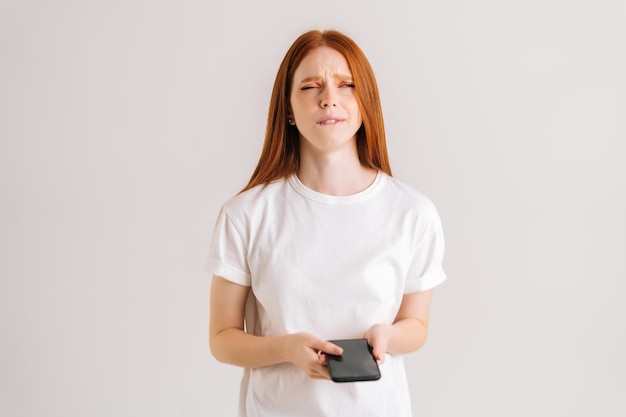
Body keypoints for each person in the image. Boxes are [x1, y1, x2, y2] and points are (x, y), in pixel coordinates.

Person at [206, 29, 446, 417]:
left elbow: (415, 324)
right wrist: (284, 348)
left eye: (346, 84)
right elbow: (222, 338)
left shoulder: (412, 212)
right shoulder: (246, 215)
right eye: (310, 86)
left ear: (364, 101)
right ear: (287, 108)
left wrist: (389, 336)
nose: (329, 98)